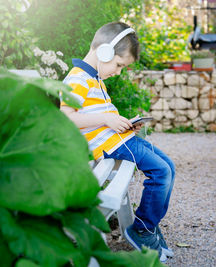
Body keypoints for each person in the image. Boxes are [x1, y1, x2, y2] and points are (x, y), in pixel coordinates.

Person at [60, 22, 175, 262]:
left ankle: (149, 227)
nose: (118, 71)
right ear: (103, 52)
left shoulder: (94, 79)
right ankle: (142, 230)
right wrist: (106, 119)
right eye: (119, 65)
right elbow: (66, 118)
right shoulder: (77, 79)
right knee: (161, 170)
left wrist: (124, 123)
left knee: (168, 166)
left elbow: (100, 117)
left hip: (119, 140)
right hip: (108, 146)